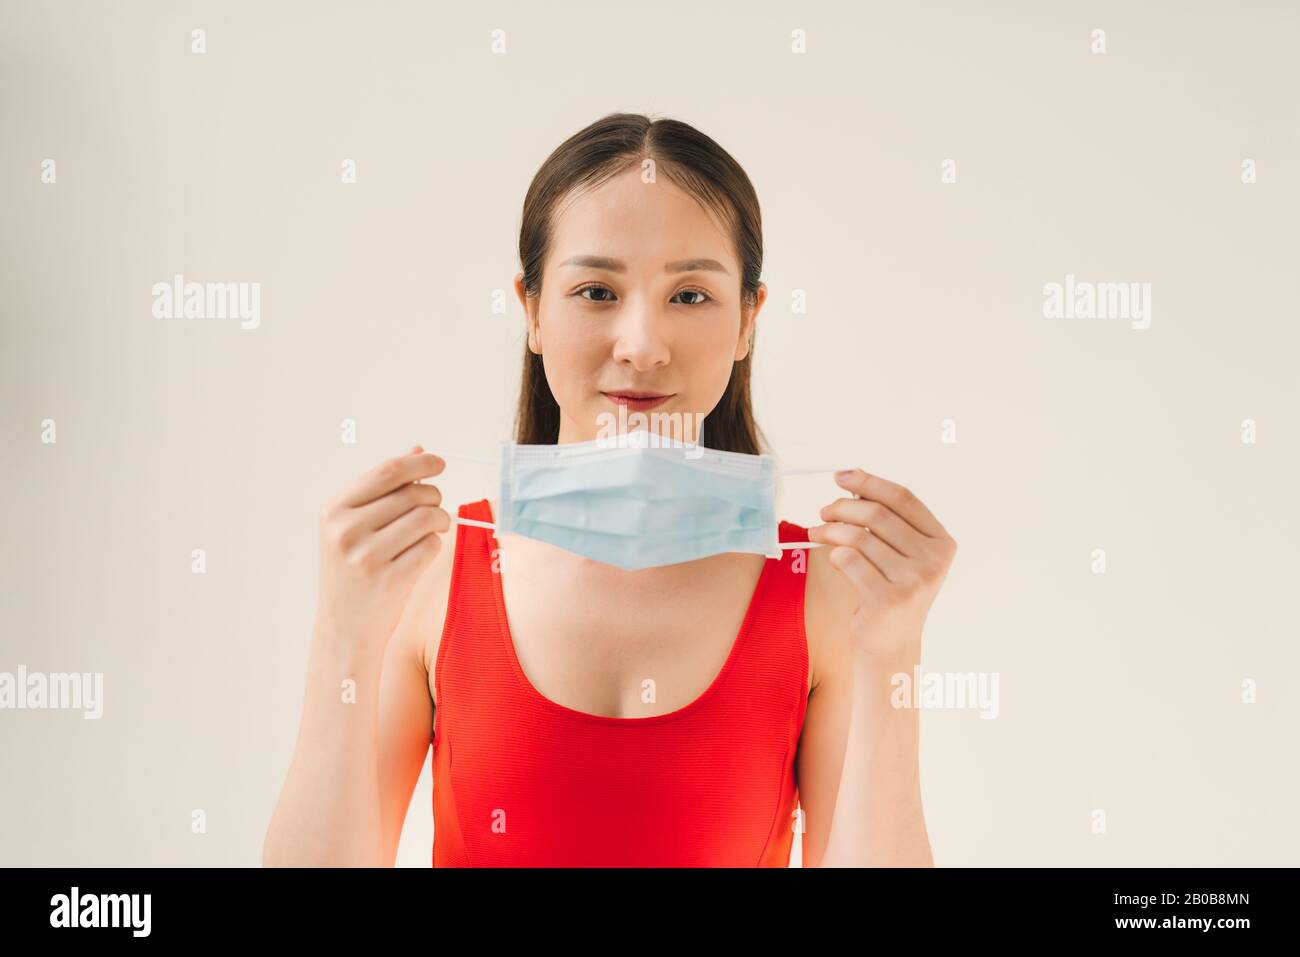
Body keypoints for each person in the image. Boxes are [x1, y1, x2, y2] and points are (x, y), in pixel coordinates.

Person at [262, 113, 957, 867]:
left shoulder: (821, 593)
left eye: (690, 296)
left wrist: (894, 649)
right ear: (531, 310)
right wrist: (342, 631)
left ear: (748, 321)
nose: (642, 346)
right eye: (596, 290)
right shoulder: (427, 578)